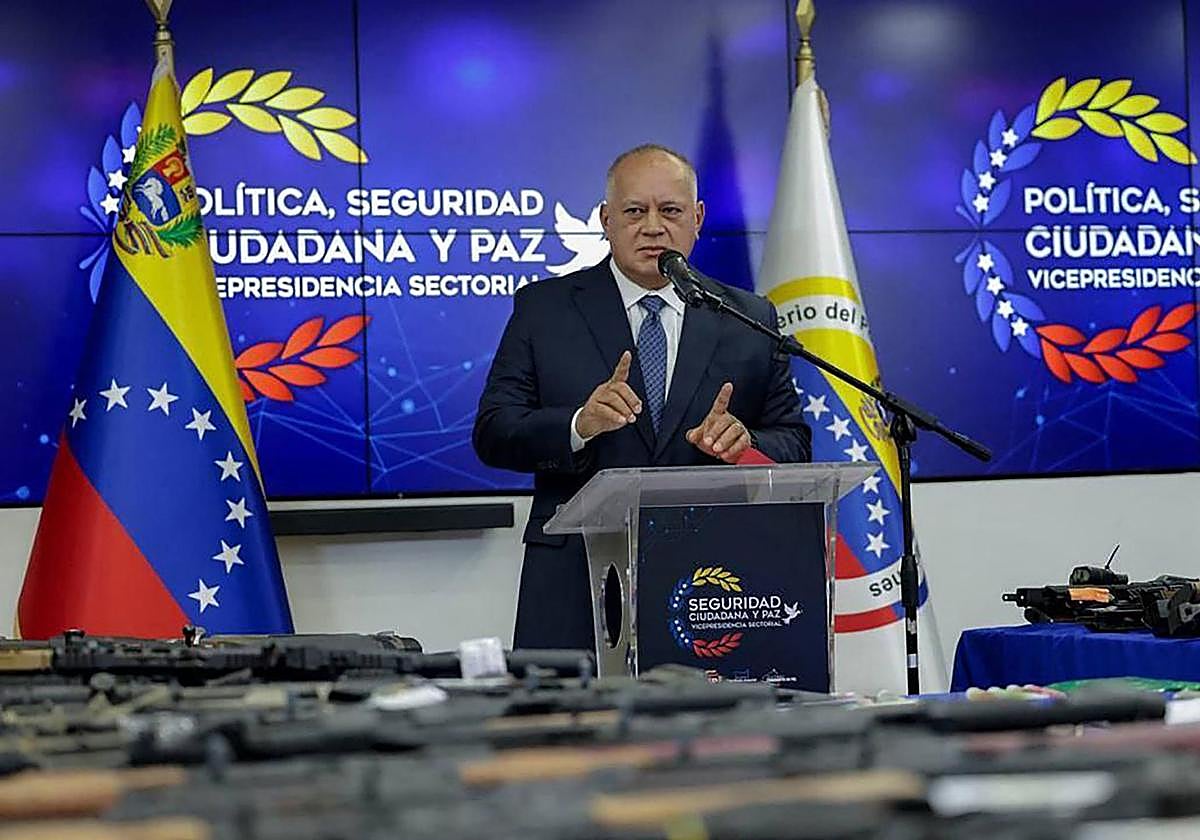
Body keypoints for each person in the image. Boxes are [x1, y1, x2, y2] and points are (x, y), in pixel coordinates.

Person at [473, 144, 811, 651]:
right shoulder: (545, 311)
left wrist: (745, 444)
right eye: (635, 211)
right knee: (567, 730)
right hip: (575, 580)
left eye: (670, 211)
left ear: (696, 219)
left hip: (714, 583)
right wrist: (577, 426)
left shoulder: (748, 318)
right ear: (606, 220)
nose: (653, 227)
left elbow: (794, 443)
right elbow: (494, 433)